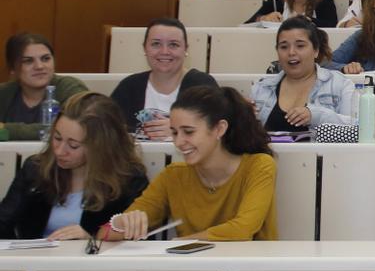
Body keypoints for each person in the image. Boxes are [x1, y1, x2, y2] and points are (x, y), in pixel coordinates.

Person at [108, 86, 277, 241]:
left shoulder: (259, 165)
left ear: (219, 129)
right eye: (174, 133)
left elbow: (242, 229)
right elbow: (106, 233)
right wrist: (121, 223)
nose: (179, 142)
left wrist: (178, 243)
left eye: (188, 132)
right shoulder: (173, 175)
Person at [0, 92, 149, 240]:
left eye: (73, 145)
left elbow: (135, 240)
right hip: (32, 261)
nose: (59, 151)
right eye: (57, 138)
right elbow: (3, 221)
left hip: (93, 263)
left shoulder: (130, 180)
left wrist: (90, 240)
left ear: (101, 148)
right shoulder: (36, 168)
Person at [110, 18, 218, 138]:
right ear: (145, 48)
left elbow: (217, 132)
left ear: (185, 49)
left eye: (173, 45)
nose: (164, 51)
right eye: (156, 44)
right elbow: (108, 133)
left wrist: (179, 131)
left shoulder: (202, 86)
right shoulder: (128, 87)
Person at [250, 17, 355, 132]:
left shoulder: (340, 84)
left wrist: (317, 116)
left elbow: (358, 128)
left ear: (316, 51)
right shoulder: (261, 89)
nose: (291, 52)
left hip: (320, 151)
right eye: (284, 47)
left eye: (300, 46)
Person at [0, 33, 88, 141]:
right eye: (28, 61)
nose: (39, 66)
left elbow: (76, 128)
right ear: (12, 68)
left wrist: (6, 130)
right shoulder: (4, 93)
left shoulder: (70, 88)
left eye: (45, 59)